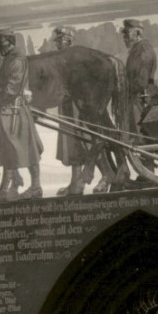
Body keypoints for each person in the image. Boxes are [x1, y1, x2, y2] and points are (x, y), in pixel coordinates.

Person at [0, 29, 43, 201]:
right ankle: (3, 190)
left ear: (9, 42)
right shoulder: (7, 59)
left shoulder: (17, 60)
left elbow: (12, 89)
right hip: (6, 112)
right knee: (8, 152)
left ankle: (36, 187)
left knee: (28, 150)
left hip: (16, 112)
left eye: (1, 44)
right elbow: (3, 85)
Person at [50, 26, 91, 196]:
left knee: (77, 142)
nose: (58, 43)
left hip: (76, 106)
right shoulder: (63, 59)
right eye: (57, 40)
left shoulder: (76, 59)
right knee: (70, 144)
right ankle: (74, 182)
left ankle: (78, 184)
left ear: (70, 40)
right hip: (66, 105)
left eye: (61, 40)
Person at [121, 19, 158, 135]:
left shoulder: (143, 50)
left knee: (140, 137)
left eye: (127, 34)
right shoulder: (137, 50)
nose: (124, 38)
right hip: (137, 99)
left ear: (137, 34)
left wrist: (122, 89)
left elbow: (141, 82)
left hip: (141, 100)